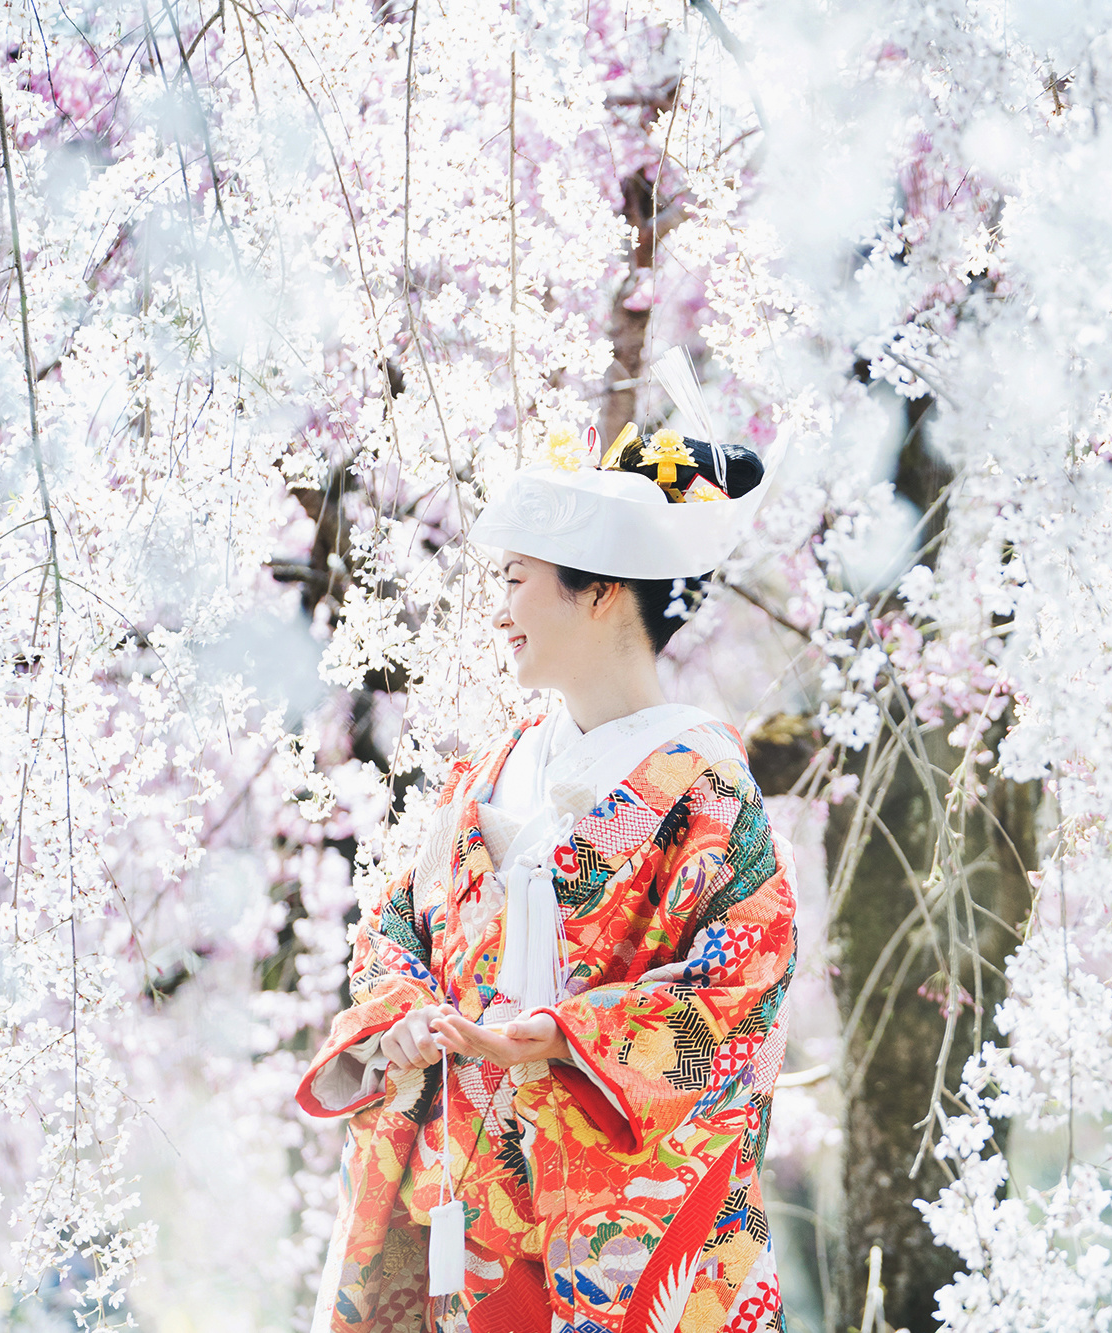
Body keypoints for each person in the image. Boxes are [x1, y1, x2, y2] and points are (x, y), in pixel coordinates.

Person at [297, 355, 793, 1333]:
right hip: (474, 1207)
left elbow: (739, 1002)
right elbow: (397, 930)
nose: (499, 608)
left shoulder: (701, 782)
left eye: (517, 581)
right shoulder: (489, 770)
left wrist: (561, 1037)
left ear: (601, 590)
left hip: (621, 1231)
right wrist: (405, 1019)